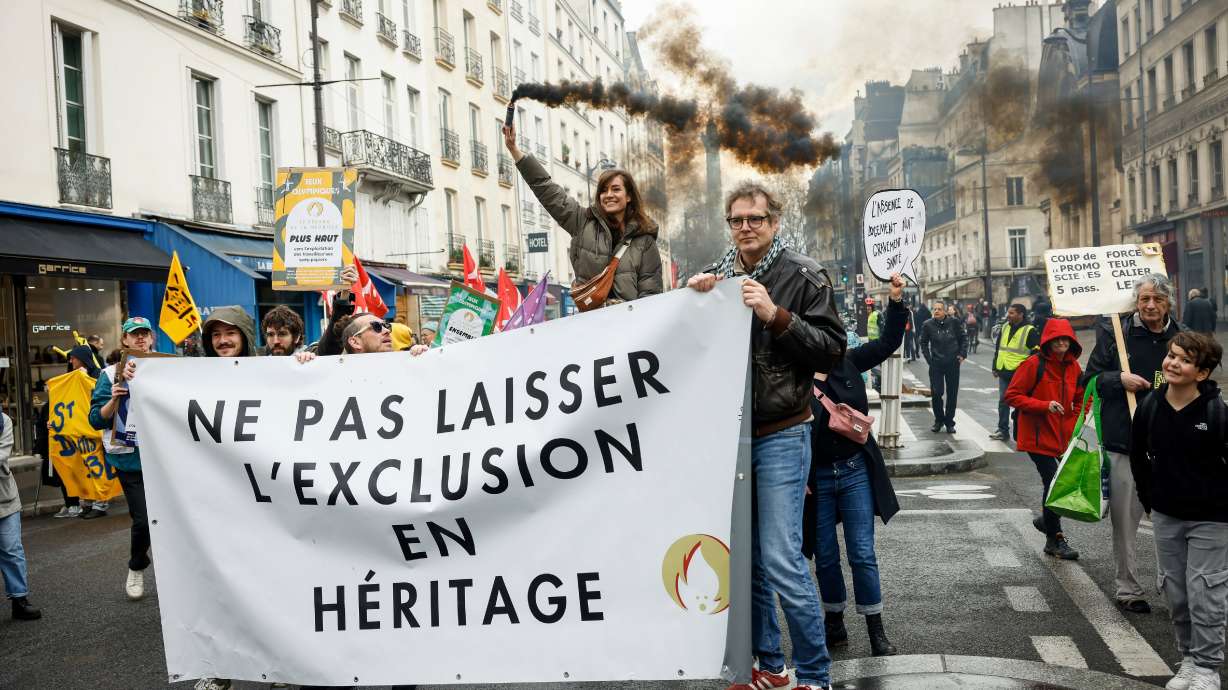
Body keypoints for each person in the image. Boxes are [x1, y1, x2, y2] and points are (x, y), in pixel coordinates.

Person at [688, 180, 845, 690]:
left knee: (780, 558)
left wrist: (776, 316)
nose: (745, 228)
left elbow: (831, 351)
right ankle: (769, 665)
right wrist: (693, 299)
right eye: (736, 220)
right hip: (728, 439)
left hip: (782, 432)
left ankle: (815, 675)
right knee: (744, 562)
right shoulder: (719, 275)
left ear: (775, 222)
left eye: (755, 218)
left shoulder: (803, 274)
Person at [805, 273, 904, 658]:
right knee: (826, 555)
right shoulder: (795, 374)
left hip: (853, 470)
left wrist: (895, 300)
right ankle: (834, 620)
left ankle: (876, 628)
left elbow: (889, 342)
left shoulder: (849, 361)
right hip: (816, 478)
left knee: (861, 551)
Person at [1081, 272, 1184, 614]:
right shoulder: (1117, 335)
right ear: (1135, 303)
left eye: (1157, 299)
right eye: (1144, 300)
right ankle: (1128, 589)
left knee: (1174, 522)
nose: (1151, 305)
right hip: (1125, 440)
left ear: (1169, 302)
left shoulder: (1182, 337)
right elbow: (1089, 380)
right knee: (1126, 521)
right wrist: (1117, 378)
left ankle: (1172, 589)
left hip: (1170, 445)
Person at [1130, 332, 1227, 690]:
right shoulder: (1150, 407)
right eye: (1172, 356)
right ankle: (1187, 659)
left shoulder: (1217, 412)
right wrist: (1149, 499)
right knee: (1176, 591)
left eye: (1185, 360)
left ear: (1201, 373)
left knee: (1205, 590)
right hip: (1167, 514)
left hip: (1211, 516)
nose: (1173, 363)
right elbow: (1138, 456)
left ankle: (1207, 667)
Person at [504, 124, 662, 304]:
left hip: (629, 326)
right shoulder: (582, 221)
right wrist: (515, 150)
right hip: (591, 325)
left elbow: (651, 296)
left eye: (616, 189)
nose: (608, 195)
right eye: (603, 190)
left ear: (629, 197)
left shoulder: (645, 241)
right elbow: (547, 190)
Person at [87, 317, 156, 601]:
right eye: (133, 335)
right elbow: (94, 420)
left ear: (151, 338)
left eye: (144, 334)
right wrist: (113, 400)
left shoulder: (170, 368)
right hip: (130, 460)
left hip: (167, 459)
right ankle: (136, 566)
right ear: (125, 341)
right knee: (143, 520)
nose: (139, 339)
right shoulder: (109, 374)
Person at [1004, 318, 1084, 560]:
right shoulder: (1033, 364)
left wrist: (1076, 415)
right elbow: (1012, 395)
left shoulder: (1074, 368)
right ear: (1048, 341)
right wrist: (1044, 406)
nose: (1062, 342)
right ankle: (1054, 539)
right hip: (1037, 436)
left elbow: (1083, 396)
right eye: (1057, 338)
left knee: (1061, 483)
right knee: (1053, 482)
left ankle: (1045, 520)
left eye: (1066, 339)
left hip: (1062, 436)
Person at [1, 411, 41, 621]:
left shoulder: (3, 420)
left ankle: (19, 599)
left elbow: (2, 454)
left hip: (4, 498)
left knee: (11, 548)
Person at [990, 304, 1039, 441]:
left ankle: (1022, 433)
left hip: (1020, 374)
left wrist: (1027, 370)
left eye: (1011, 313)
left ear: (1021, 314)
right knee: (1003, 401)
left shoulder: (1030, 330)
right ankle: (1002, 430)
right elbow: (999, 348)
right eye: (1008, 313)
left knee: (1021, 404)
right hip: (1004, 370)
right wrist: (995, 366)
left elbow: (1036, 354)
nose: (1008, 315)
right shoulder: (1005, 326)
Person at [919, 300, 966, 433]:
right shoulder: (928, 325)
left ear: (945, 311)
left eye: (939, 309)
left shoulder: (954, 322)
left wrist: (962, 354)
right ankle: (939, 420)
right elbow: (923, 343)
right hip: (936, 365)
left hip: (952, 363)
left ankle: (949, 422)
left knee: (952, 394)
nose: (936, 311)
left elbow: (963, 338)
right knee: (937, 393)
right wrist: (929, 360)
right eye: (935, 309)